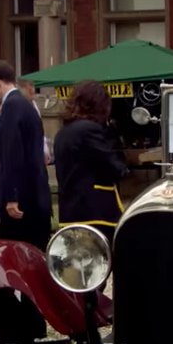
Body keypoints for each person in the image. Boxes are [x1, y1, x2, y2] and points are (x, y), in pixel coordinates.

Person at [0, 58, 51, 248]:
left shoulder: (12, 106)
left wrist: (11, 197)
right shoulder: (26, 105)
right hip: (35, 196)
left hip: (21, 202)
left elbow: (11, 154)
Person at [55, 80, 129, 242]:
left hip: (69, 210)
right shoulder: (89, 130)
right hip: (95, 212)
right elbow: (114, 167)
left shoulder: (63, 133)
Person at [18, 77, 53, 164]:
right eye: (29, 88)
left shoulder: (34, 105)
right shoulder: (18, 107)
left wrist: (45, 150)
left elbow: (40, 131)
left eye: (33, 87)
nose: (32, 91)